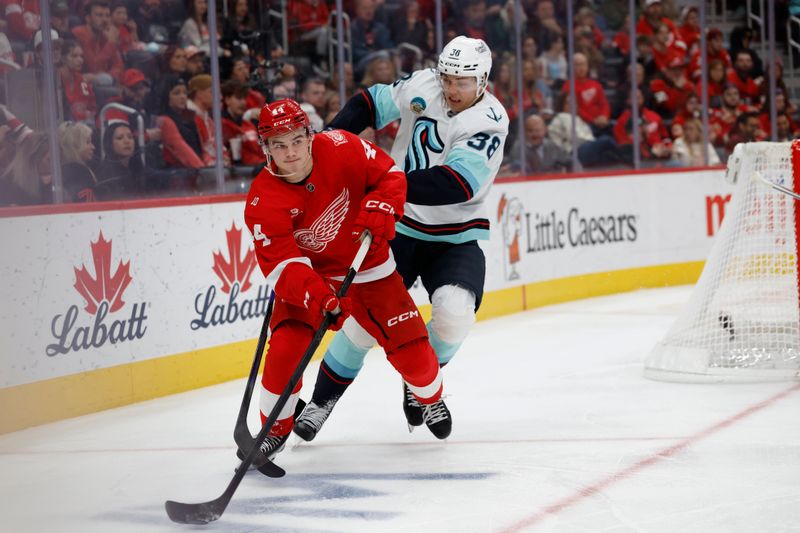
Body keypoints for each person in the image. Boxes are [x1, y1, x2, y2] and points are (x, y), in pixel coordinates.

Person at [293, 36, 508, 441]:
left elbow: (457, 184)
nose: (451, 88)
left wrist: (385, 184)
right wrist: (328, 146)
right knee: (363, 323)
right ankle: (322, 401)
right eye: (447, 77)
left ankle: (421, 384)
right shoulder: (424, 84)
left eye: (462, 81)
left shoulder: (489, 120)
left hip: (455, 234)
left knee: (455, 313)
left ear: (482, 81)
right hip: (399, 228)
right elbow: (369, 104)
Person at [243, 99, 451, 459]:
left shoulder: (342, 145)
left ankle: (430, 397)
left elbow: (390, 175)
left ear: (309, 135)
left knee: (416, 358)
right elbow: (283, 265)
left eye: (295, 140)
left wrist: (384, 203)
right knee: (284, 353)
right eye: (278, 144)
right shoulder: (263, 200)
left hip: (369, 266)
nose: (290, 152)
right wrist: (319, 295)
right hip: (313, 278)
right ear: (265, 148)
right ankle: (275, 426)